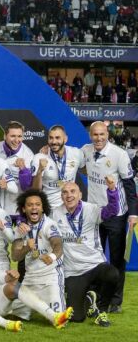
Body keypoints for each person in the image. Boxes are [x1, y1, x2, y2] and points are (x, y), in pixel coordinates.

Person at [81, 121, 137, 312]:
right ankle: (95, 297)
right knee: (95, 257)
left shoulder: (119, 154)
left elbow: (130, 186)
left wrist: (133, 213)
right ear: (90, 135)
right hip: (95, 214)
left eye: (102, 135)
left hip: (116, 215)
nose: (98, 138)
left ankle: (115, 301)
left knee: (116, 259)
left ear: (108, 135)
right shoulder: (86, 151)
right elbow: (77, 165)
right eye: (95, 135)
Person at [52, 180, 119, 327]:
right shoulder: (55, 213)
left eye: (73, 191)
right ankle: (90, 300)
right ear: (61, 196)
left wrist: (112, 190)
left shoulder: (92, 209)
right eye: (65, 192)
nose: (69, 195)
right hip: (73, 272)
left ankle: (102, 311)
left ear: (80, 194)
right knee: (76, 317)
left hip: (95, 265)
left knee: (112, 274)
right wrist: (21, 222)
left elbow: (112, 210)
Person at [11, 190, 65, 320]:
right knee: (17, 316)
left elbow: (58, 246)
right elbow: (15, 256)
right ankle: (39, 304)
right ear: (24, 209)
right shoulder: (21, 229)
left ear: (42, 208)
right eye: (30, 205)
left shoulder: (49, 225)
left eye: (37, 204)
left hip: (50, 277)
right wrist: (26, 248)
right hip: (30, 279)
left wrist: (51, 257)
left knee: (59, 319)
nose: (34, 207)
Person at [31, 125, 85, 209]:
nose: (53, 141)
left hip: (71, 205)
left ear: (65, 139)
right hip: (51, 207)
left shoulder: (76, 153)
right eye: (51, 138)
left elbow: (84, 169)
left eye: (57, 138)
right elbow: (35, 190)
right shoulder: (39, 158)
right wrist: (39, 171)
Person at [0, 121, 34, 214]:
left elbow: (26, 187)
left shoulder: (28, 154)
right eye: (13, 136)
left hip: (14, 207)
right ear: (5, 136)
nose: (16, 140)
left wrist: (23, 170)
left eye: (19, 136)